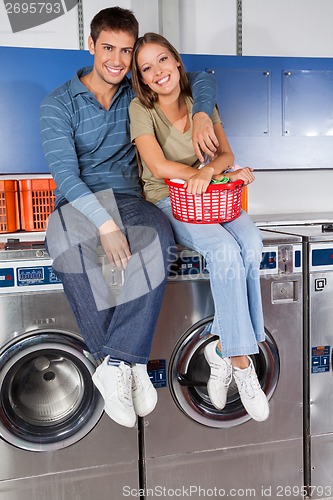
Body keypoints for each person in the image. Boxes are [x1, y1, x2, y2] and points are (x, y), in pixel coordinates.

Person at [40, 8, 218, 429]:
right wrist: (104, 225)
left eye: (126, 50)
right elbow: (65, 174)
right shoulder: (58, 104)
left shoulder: (137, 96)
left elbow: (204, 79)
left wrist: (202, 112)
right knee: (64, 245)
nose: (117, 60)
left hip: (128, 196)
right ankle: (123, 360)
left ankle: (117, 360)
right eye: (108, 49)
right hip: (78, 203)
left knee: (158, 233)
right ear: (91, 46)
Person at [129, 33, 269, 422]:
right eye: (146, 68)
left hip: (212, 193)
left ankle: (222, 346)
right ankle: (242, 365)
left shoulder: (199, 105)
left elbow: (226, 154)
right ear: (141, 78)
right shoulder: (141, 109)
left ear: (176, 61)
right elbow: (156, 167)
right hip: (169, 199)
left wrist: (210, 171)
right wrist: (202, 173)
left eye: (162, 60)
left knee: (252, 244)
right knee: (224, 250)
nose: (157, 72)